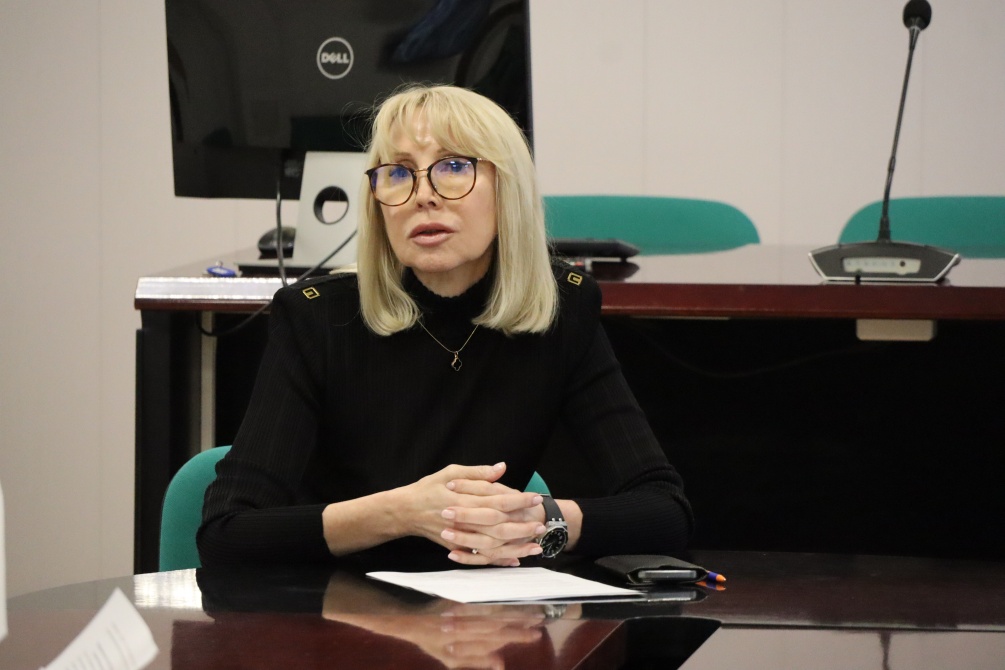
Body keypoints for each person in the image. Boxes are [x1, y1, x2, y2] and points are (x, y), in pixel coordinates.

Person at [198, 84, 692, 569]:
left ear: (508, 189)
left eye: (454, 167)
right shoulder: (317, 318)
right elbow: (227, 532)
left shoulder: (562, 309)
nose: (423, 196)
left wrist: (538, 521)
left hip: (492, 611)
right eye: (398, 173)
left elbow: (665, 511)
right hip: (342, 605)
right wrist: (400, 514)